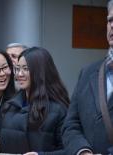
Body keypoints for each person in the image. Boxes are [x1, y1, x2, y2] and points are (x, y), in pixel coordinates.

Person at [0, 47, 70, 155]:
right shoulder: (10, 106)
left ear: (40, 72)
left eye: (26, 69)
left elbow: (71, 150)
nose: (19, 74)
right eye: (17, 68)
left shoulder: (59, 110)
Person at [62, 1, 113, 155]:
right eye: (110, 20)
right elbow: (71, 124)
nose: (112, 26)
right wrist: (82, 151)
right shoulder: (88, 73)